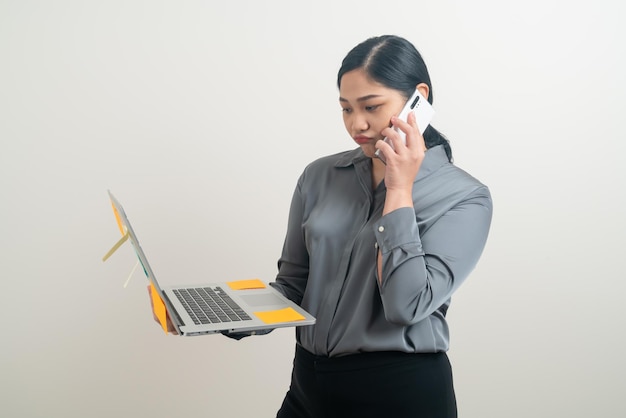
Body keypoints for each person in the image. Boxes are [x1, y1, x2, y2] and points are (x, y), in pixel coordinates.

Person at [150, 34, 492, 418]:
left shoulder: (465, 198)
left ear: (419, 99)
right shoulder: (320, 176)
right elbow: (294, 284)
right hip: (308, 388)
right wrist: (220, 312)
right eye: (346, 108)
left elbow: (405, 305)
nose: (356, 123)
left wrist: (399, 188)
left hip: (399, 394)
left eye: (371, 106)